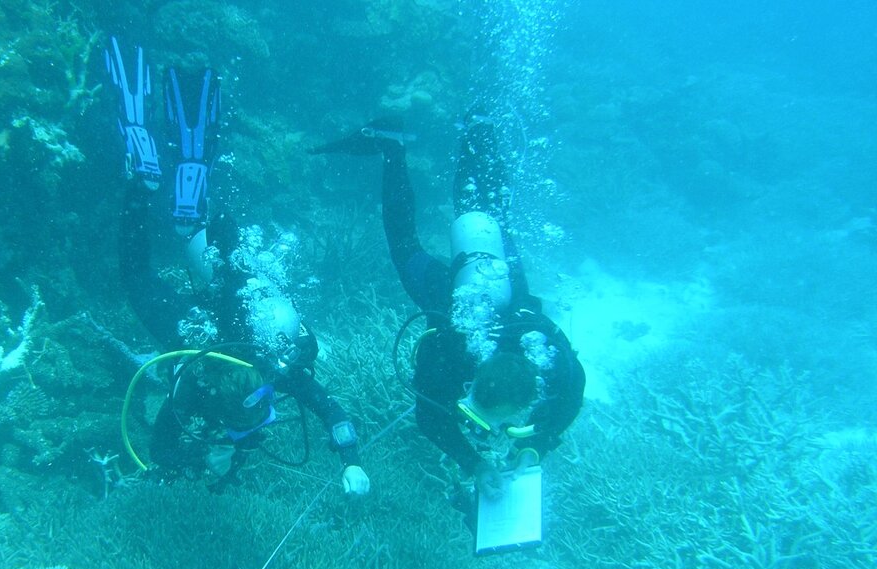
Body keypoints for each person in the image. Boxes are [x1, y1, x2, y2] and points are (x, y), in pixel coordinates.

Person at [106, 38, 369, 495]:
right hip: (202, 324)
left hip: (225, 312)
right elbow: (163, 450)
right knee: (139, 278)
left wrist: (351, 461)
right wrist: (203, 456)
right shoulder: (193, 384)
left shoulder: (272, 368)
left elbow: (333, 413)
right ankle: (158, 196)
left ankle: (180, 212)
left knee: (220, 274)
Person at [311, 111, 583, 501]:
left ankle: (475, 131)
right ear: (471, 384)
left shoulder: (551, 363)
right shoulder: (447, 352)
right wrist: (476, 462)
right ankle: (402, 146)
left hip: (506, 293)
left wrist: (531, 448)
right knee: (421, 242)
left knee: (490, 220)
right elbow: (429, 417)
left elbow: (572, 398)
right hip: (450, 295)